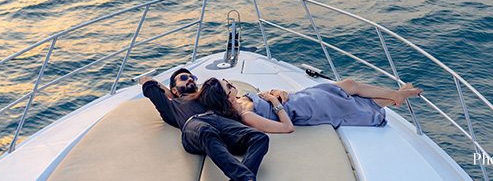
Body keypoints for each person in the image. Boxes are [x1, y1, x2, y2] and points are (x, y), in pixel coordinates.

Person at [140, 68, 269, 181]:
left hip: (217, 121)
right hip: (194, 125)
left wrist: (274, 94)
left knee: (260, 138)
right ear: (173, 89)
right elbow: (146, 80)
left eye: (193, 78)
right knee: (206, 131)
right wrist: (173, 94)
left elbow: (233, 95)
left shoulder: (206, 97)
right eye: (184, 78)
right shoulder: (170, 106)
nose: (190, 79)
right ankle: (245, 178)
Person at [197, 77, 423, 134]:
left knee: (350, 86)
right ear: (224, 97)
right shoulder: (247, 116)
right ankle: (399, 95)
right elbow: (287, 127)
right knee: (353, 98)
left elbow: (265, 96)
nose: (228, 82)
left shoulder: (241, 100)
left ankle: (398, 95)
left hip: (299, 97)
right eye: (226, 85)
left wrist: (276, 92)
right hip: (303, 110)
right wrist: (275, 102)